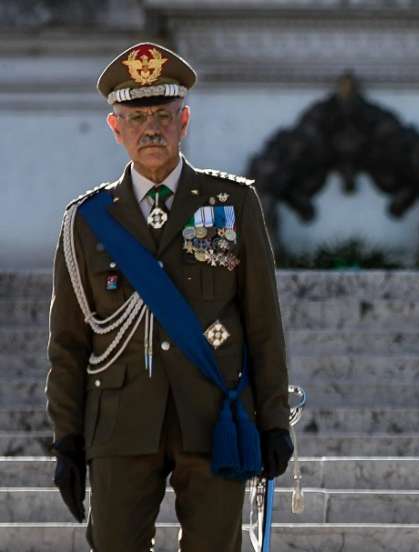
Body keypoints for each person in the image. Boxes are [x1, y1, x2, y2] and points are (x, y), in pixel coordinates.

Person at [46, 42, 294, 552]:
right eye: (135, 118)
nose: (150, 128)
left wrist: (271, 420)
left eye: (162, 114)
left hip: (213, 417)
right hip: (119, 422)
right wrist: (67, 439)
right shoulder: (88, 222)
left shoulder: (233, 204)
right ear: (115, 129)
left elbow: (263, 325)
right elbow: (68, 343)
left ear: (185, 121)